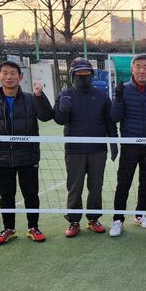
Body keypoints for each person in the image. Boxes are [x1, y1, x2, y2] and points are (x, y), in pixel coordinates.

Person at [0, 61, 54, 245]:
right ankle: (8, 229)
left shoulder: (31, 99)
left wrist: (40, 96)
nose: (9, 77)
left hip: (28, 157)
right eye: (5, 73)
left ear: (20, 77)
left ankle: (33, 227)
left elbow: (46, 116)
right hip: (1, 159)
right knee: (6, 196)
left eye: (13, 73)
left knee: (31, 195)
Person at [55, 57, 118, 238]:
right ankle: (74, 221)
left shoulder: (101, 96)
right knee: (74, 187)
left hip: (98, 149)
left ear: (92, 74)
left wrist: (113, 143)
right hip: (74, 150)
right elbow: (59, 120)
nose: (83, 77)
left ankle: (93, 219)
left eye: (87, 73)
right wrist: (63, 109)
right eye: (79, 74)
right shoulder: (65, 95)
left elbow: (110, 122)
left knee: (96, 186)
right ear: (72, 75)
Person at [108, 54, 146, 237]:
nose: (142, 70)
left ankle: (140, 215)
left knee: (145, 182)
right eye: (138, 66)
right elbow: (115, 117)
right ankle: (118, 220)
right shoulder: (124, 90)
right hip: (130, 145)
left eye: (145, 67)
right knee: (123, 183)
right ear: (132, 69)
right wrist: (118, 98)